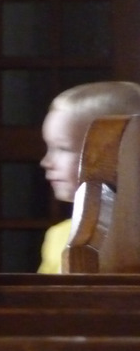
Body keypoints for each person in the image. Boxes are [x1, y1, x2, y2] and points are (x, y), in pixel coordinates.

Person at [38, 80, 140, 273]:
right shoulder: (59, 235)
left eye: (63, 148)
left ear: (122, 154)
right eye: (49, 147)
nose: (46, 161)